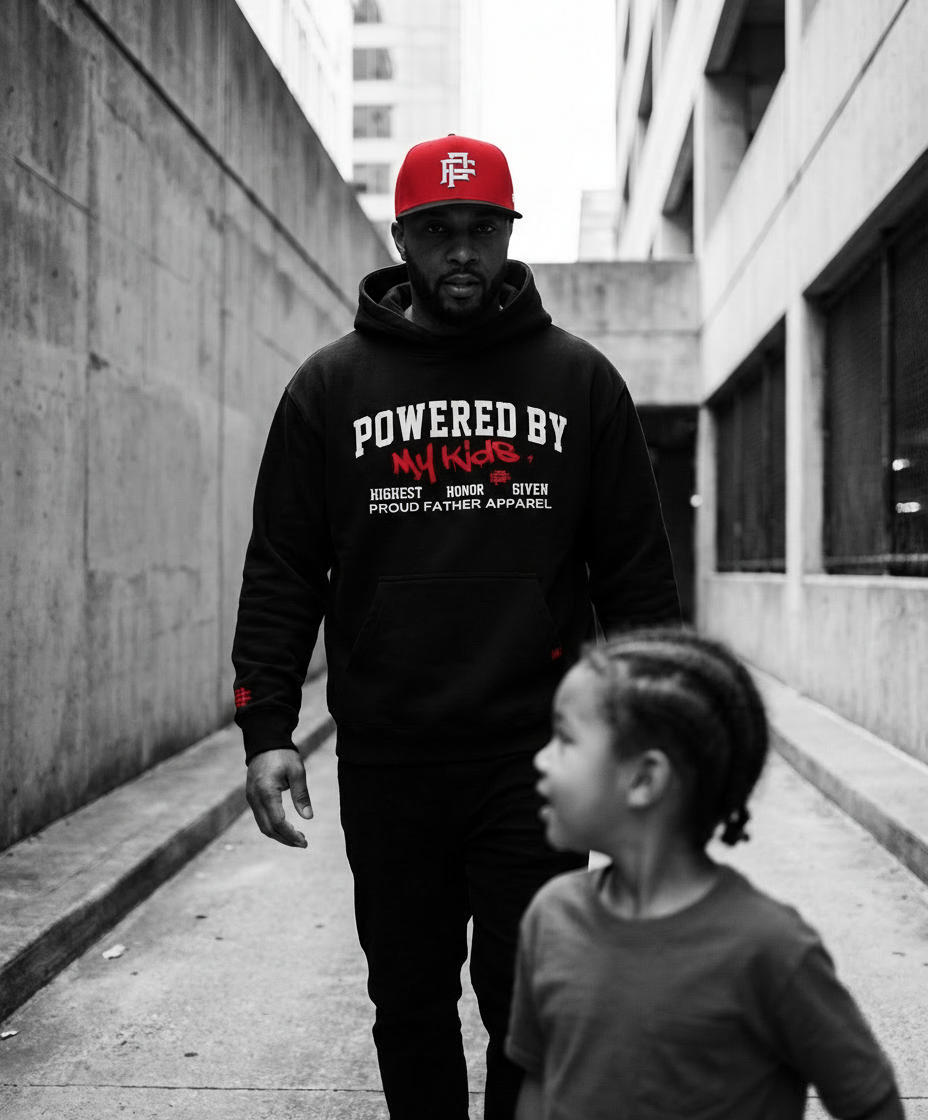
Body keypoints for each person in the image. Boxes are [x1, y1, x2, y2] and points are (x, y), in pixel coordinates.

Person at [231, 134, 680, 1120]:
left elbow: (637, 578)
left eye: (482, 228)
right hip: (391, 758)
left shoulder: (580, 382)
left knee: (531, 1004)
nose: (463, 251)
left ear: (510, 236)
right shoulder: (329, 389)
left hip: (539, 757)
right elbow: (283, 569)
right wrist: (267, 727)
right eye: (439, 231)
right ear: (403, 240)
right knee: (409, 1001)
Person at [506, 628, 904, 1120]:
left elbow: (872, 1103)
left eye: (565, 739)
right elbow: (539, 1080)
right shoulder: (551, 917)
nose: (540, 759)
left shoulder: (772, 950)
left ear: (644, 779)